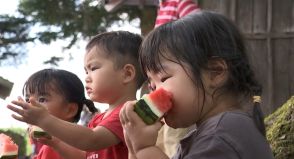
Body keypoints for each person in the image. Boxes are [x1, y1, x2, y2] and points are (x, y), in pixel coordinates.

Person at [119, 11, 275, 158]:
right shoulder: (214, 133)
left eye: (164, 78)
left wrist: (144, 149)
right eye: (152, 86)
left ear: (215, 73)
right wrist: (134, 147)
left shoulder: (219, 137)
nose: (151, 94)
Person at [7, 31, 145, 159]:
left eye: (93, 68)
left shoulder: (129, 112)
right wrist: (55, 142)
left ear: (127, 74)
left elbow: (92, 140)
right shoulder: (99, 120)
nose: (87, 77)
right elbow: (83, 156)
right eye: (86, 71)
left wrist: (44, 119)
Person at [19, 68, 98, 159]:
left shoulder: (77, 145)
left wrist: (56, 144)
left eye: (42, 99)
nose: (30, 105)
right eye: (27, 100)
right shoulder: (47, 146)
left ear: (70, 110)